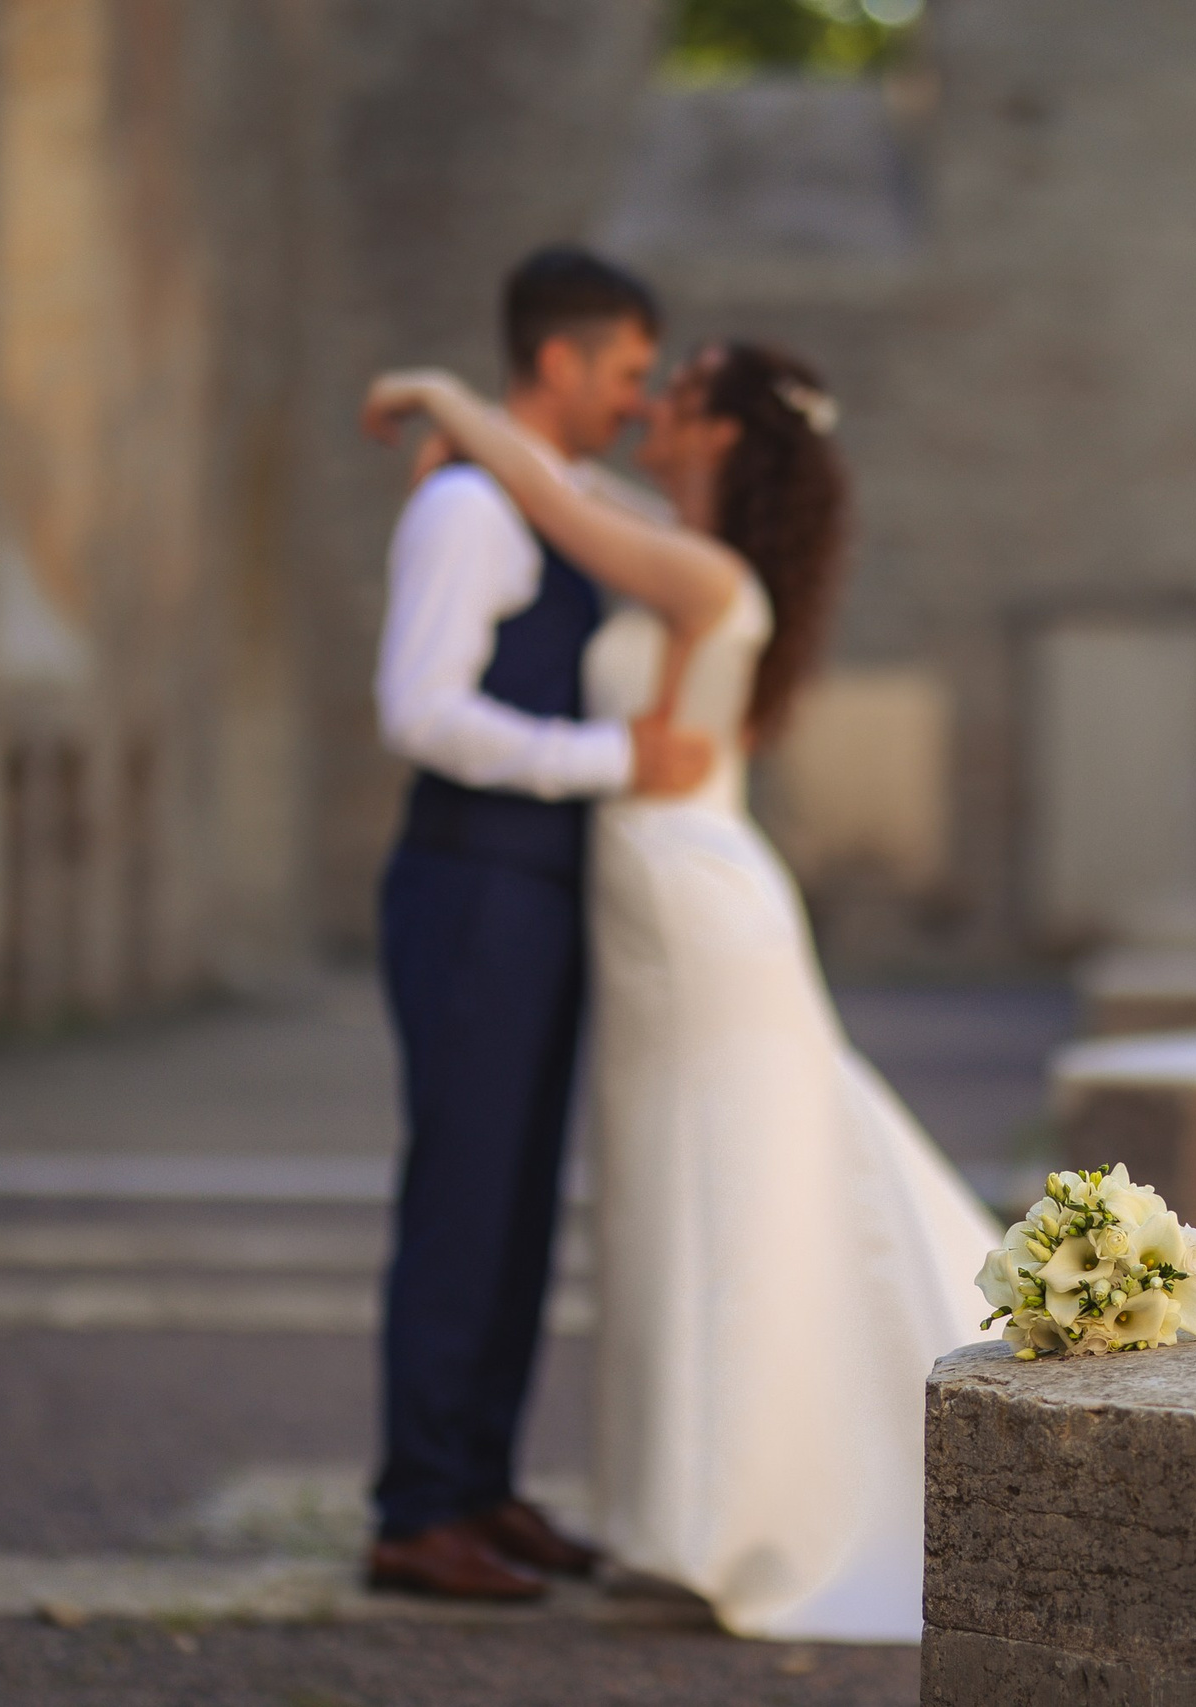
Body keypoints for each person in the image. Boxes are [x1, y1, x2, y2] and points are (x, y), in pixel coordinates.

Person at [363, 340, 1001, 1641]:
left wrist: (445, 404)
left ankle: (736, 1514)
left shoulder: (701, 573)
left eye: (680, 389)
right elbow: (564, 495)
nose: (652, 406)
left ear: (716, 434)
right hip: (650, 881)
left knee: (724, 1178)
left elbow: (552, 506)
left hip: (689, 893)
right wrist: (493, 443)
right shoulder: (671, 538)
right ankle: (674, 1510)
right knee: (666, 1192)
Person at [365, 249, 718, 1603]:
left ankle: (478, 1482)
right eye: (630, 371)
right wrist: (608, 761)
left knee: (515, 1198)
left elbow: (635, 519)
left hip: (534, 889)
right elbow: (420, 714)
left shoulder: (542, 496)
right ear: (561, 362)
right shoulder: (466, 513)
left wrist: (452, 401)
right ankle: (416, 1507)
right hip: (471, 888)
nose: (638, 400)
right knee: (463, 1193)